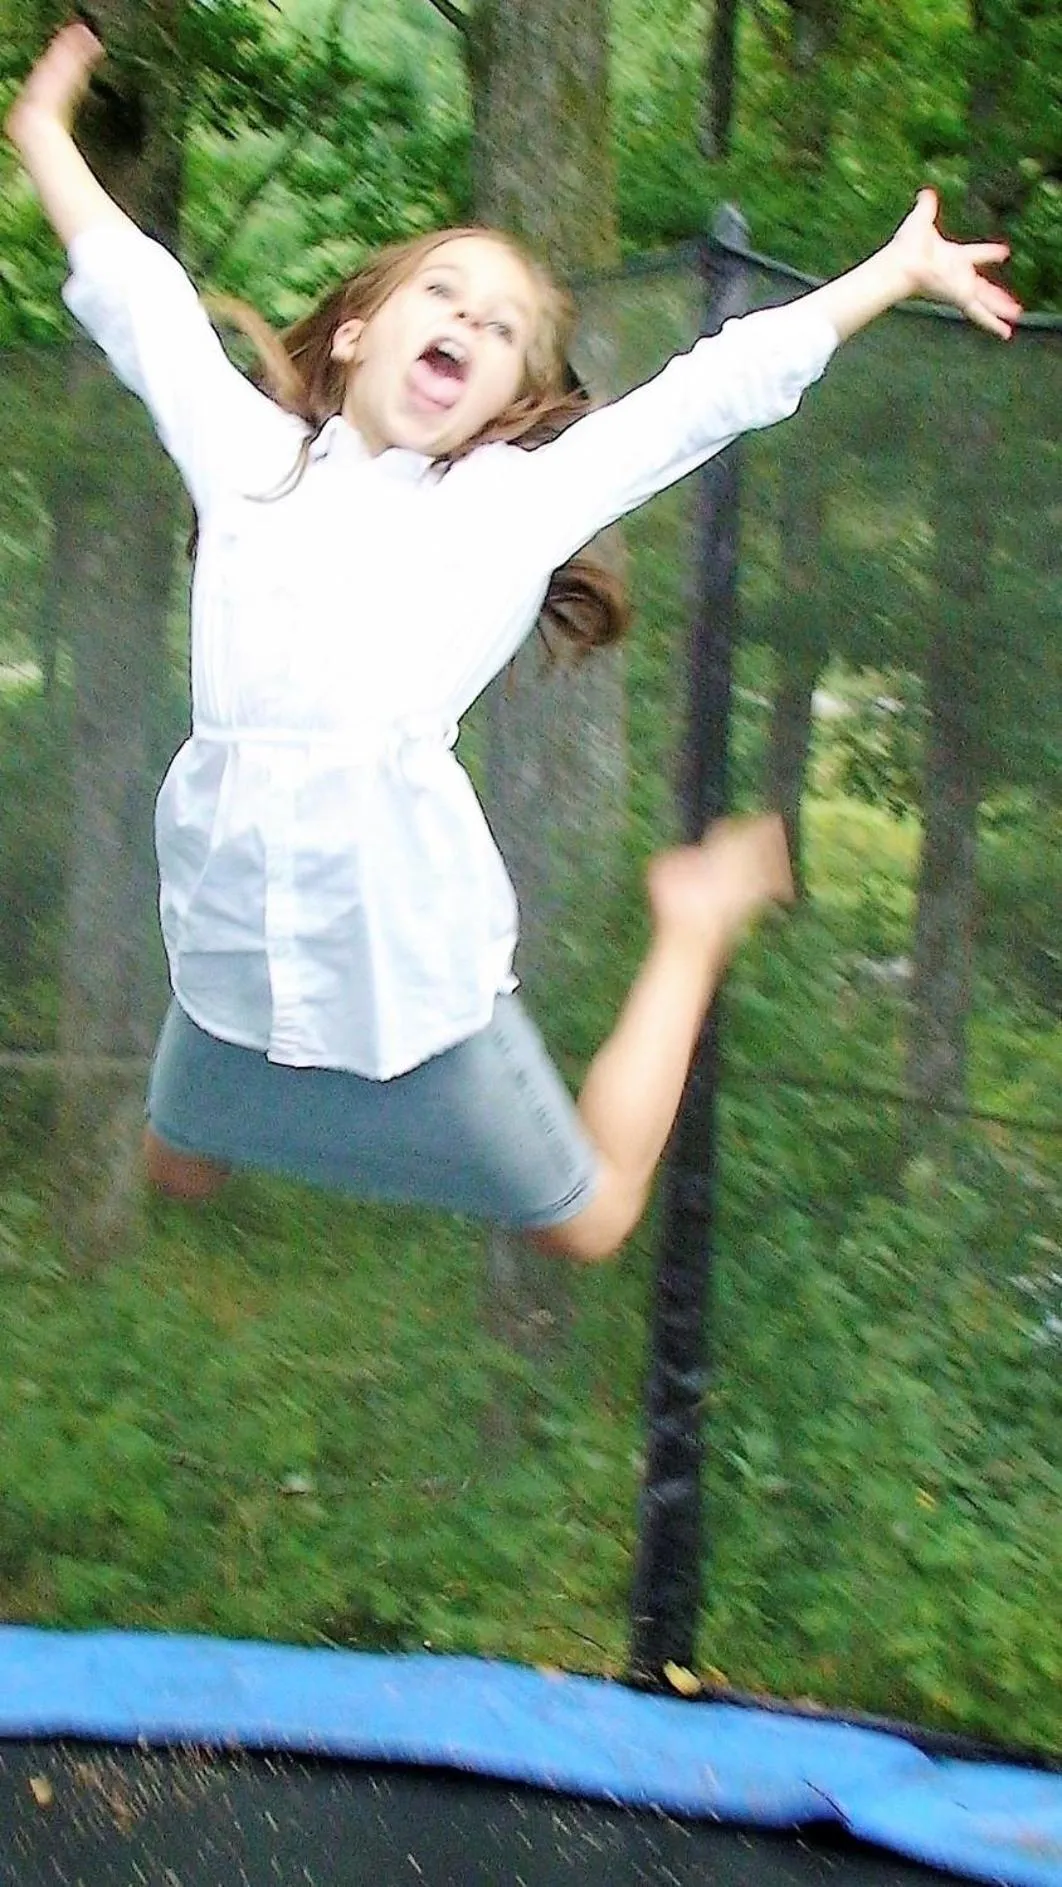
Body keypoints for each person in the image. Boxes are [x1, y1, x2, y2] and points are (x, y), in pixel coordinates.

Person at [6, 24, 1021, 1263]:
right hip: (229, 950)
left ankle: (694, 921)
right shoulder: (246, 456)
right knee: (176, 1160)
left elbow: (705, 395)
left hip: (406, 979)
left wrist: (889, 275)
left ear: (506, 406)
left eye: (503, 333)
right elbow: (139, 299)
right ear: (354, 335)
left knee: (587, 1220)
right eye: (445, 295)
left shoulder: (508, 510)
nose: (472, 325)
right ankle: (227, 1126)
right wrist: (44, 135)